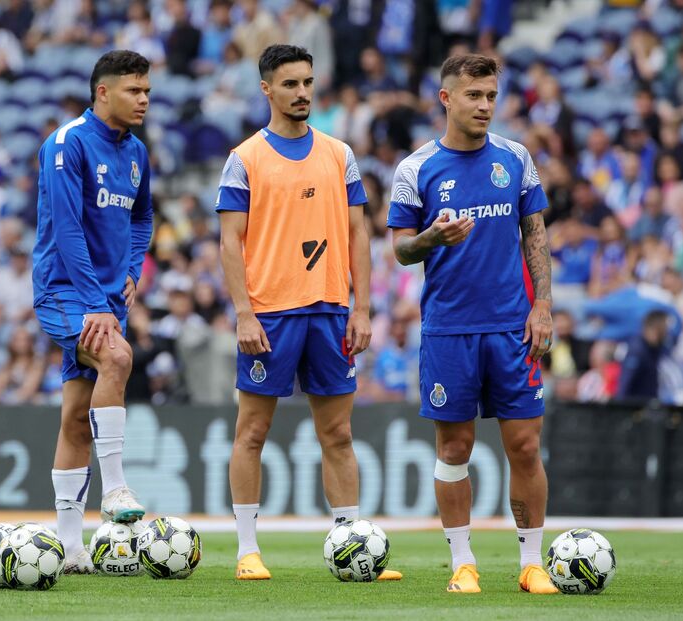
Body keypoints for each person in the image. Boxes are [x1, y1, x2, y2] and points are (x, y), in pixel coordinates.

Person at [216, 44, 401, 581]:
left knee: (338, 435)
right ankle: (248, 550)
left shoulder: (338, 153)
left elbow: (357, 233)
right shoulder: (245, 157)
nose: (302, 93)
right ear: (266, 89)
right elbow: (231, 242)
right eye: (291, 84)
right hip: (270, 315)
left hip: (329, 312)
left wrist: (361, 307)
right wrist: (244, 314)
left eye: (308, 83)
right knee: (251, 433)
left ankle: (351, 547)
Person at [387, 53, 557, 594]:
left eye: (490, 96)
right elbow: (400, 251)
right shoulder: (416, 169)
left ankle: (531, 563)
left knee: (525, 447)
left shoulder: (516, 158)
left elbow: (536, 236)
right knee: (454, 449)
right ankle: (463, 562)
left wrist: (543, 306)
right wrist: (431, 238)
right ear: (446, 99)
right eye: (474, 96)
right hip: (448, 330)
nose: (485, 106)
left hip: (512, 328)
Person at [32, 50, 154, 574]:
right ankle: (117, 486)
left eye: (147, 90)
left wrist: (132, 270)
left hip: (107, 296)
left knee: (76, 418)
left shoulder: (137, 154)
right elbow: (66, 227)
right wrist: (92, 303)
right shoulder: (67, 144)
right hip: (66, 291)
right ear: (103, 92)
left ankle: (69, 545)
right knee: (119, 360)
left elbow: (144, 216)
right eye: (134, 91)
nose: (144, 99)